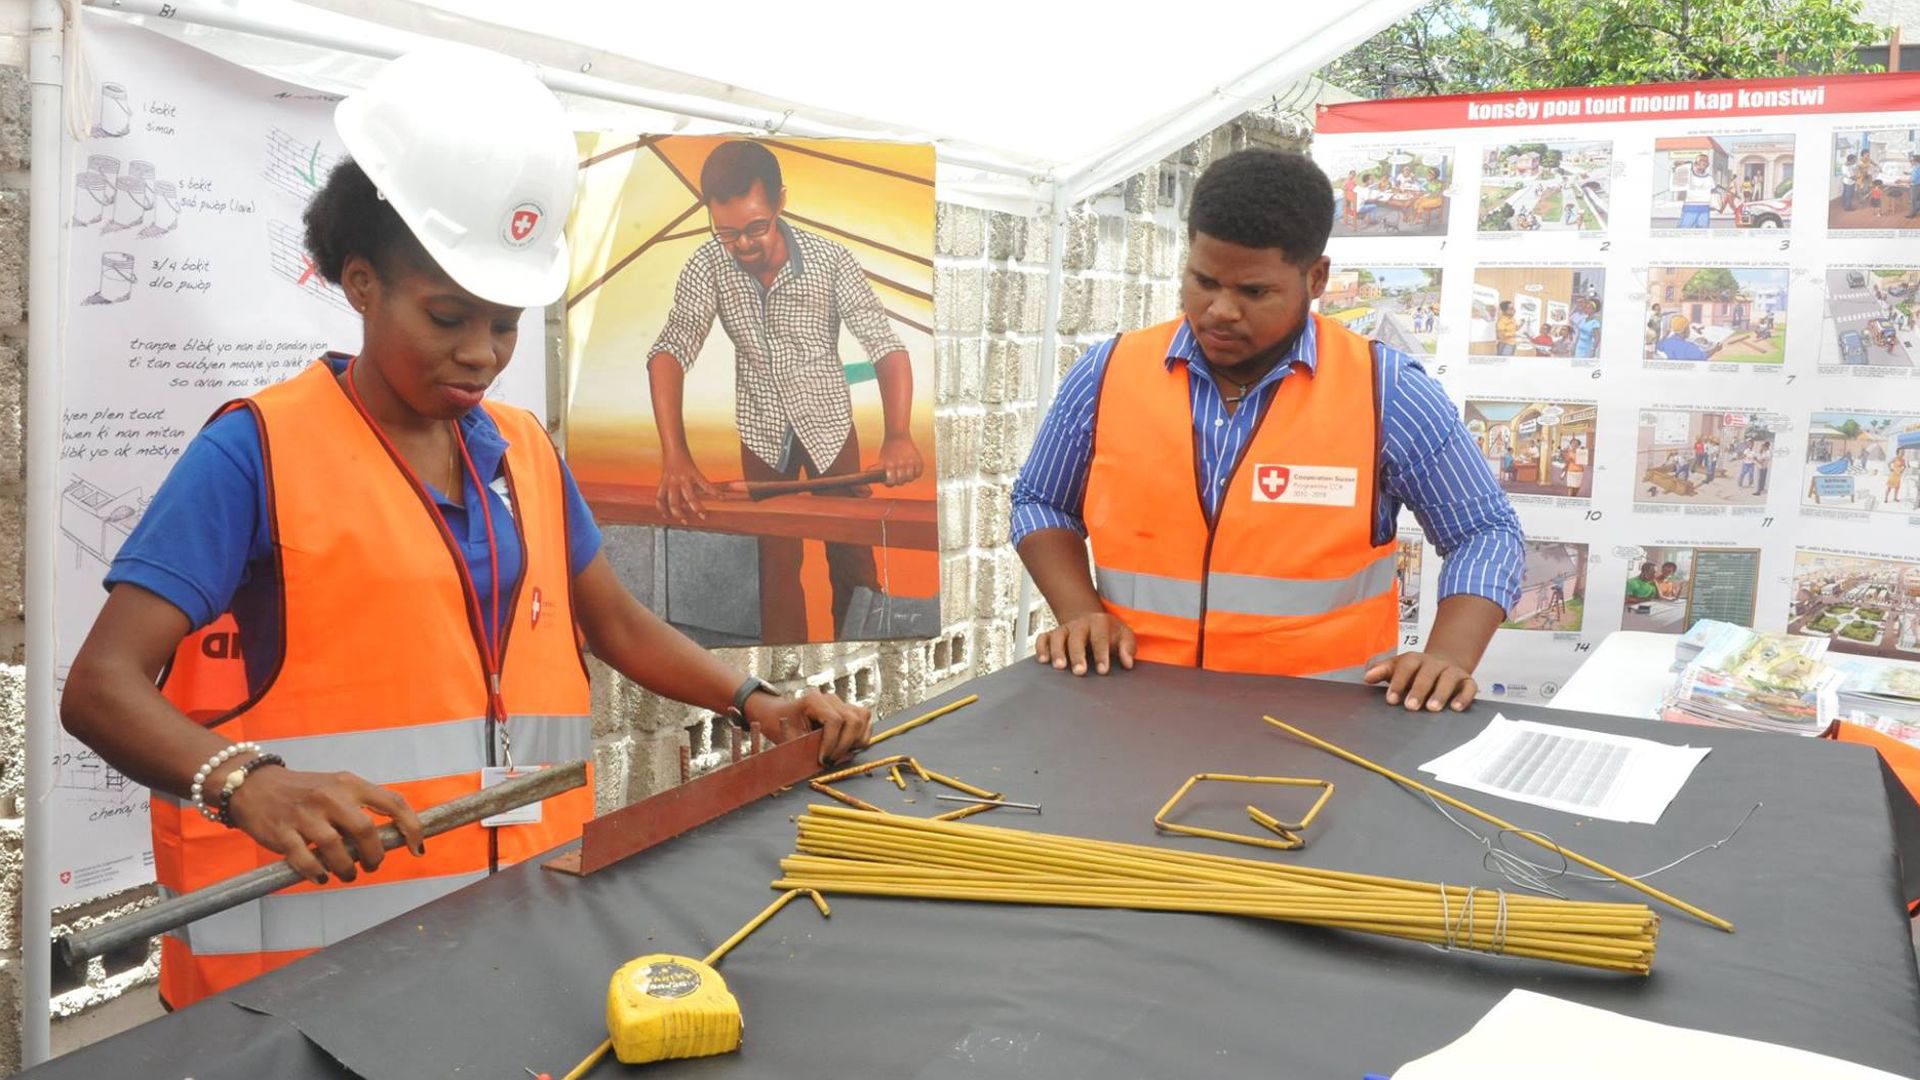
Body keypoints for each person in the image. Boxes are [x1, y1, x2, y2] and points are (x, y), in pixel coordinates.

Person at [57, 49, 873, 1010]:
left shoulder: (522, 450)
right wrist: (246, 781)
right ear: (360, 282)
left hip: (509, 943)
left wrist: (754, 700)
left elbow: (613, 622)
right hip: (300, 991)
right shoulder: (254, 453)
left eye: (505, 323)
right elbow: (99, 689)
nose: (481, 353)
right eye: (447, 316)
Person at [1010, 149, 1523, 713]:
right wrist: (1081, 612)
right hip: (1131, 718)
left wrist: (1447, 656)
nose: (1220, 310)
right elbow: (1041, 502)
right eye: (1203, 281)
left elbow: (1485, 531)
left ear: (1317, 277)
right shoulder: (1106, 374)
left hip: (1322, 734)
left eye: (1254, 292)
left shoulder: (1388, 392)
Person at [647, 140, 924, 643]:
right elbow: (669, 351)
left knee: (853, 565)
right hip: (761, 431)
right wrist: (676, 455)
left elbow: (886, 346)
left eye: (756, 227)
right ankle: (785, 684)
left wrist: (899, 434)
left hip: (830, 428)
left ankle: (858, 666)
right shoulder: (706, 264)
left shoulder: (830, 261)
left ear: (779, 202)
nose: (745, 244)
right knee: (771, 570)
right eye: (727, 233)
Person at [1676, 153, 1719, 228]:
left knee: (1702, 231)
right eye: (1700, 161)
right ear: (1695, 163)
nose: (1702, 163)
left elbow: (1714, 192)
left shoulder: (1709, 178)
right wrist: (1683, 165)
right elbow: (1677, 167)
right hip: (1690, 207)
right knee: (1683, 230)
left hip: (1704, 209)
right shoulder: (1688, 175)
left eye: (1705, 162)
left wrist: (1715, 205)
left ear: (1707, 165)